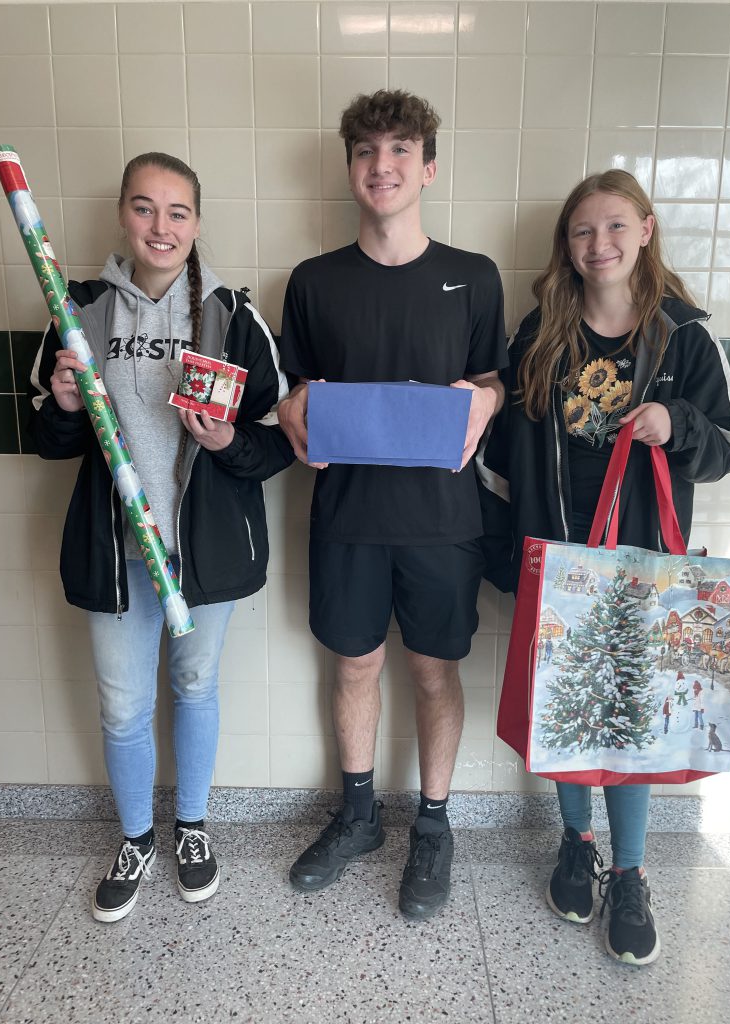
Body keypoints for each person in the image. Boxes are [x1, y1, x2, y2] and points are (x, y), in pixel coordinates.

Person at [484, 169, 730, 964]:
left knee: (629, 725)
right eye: (582, 232)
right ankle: (576, 843)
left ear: (647, 230)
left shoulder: (684, 336)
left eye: (614, 228)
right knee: (566, 712)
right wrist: (509, 560)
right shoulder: (539, 335)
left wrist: (677, 422)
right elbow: (502, 458)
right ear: (567, 246)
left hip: (646, 571)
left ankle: (630, 874)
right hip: (561, 564)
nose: (599, 245)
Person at [29, 152, 294, 922]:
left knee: (195, 688)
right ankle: (138, 836)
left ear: (198, 224)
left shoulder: (233, 317)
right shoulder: (77, 313)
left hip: (201, 551)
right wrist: (66, 407)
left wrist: (223, 446)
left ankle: (192, 829)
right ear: (123, 214)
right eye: (145, 208)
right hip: (116, 554)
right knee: (121, 707)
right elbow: (47, 443)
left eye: (178, 212)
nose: (161, 226)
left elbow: (276, 440)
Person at [277, 90, 507, 919]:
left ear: (429, 167)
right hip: (346, 516)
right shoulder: (311, 282)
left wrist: (486, 398)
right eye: (368, 151)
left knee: (434, 670)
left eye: (401, 150)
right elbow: (294, 388)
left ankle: (435, 826)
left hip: (444, 522)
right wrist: (294, 409)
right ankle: (360, 815)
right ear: (349, 169)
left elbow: (491, 379)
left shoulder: (475, 277)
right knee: (354, 665)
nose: (383, 165)